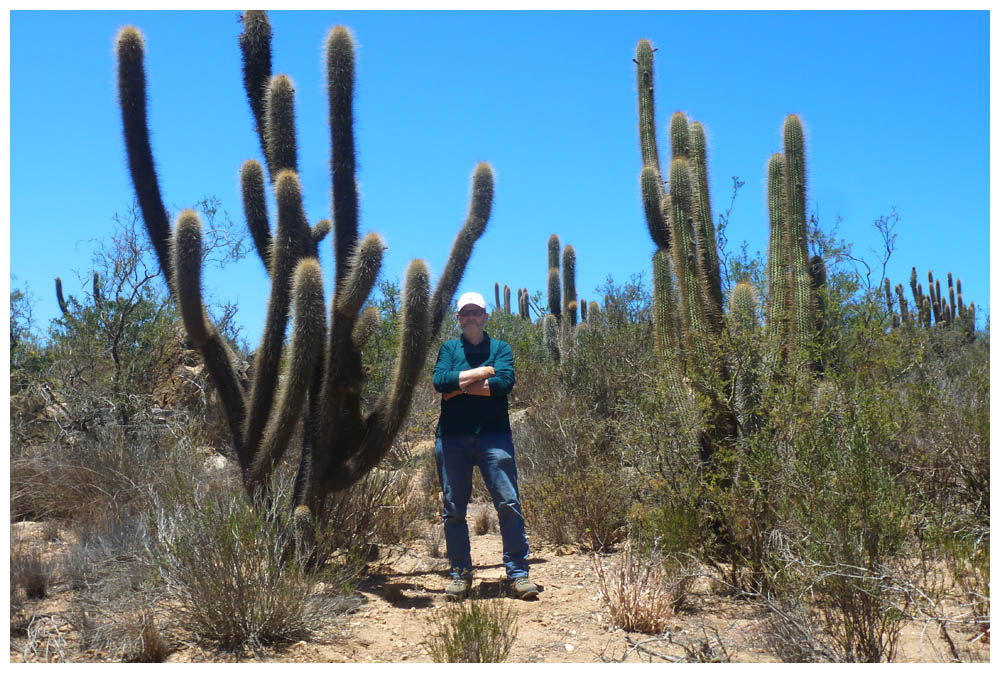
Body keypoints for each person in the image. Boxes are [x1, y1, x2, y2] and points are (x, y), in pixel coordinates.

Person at [431, 291, 539, 601]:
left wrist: (459, 387)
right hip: (452, 437)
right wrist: (482, 373)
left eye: (476, 312)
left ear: (485, 316)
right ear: (459, 318)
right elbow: (440, 382)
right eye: (465, 313)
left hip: (494, 435)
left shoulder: (500, 348)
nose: (470, 317)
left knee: (508, 502)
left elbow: (504, 384)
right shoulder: (450, 348)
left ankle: (518, 573)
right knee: (453, 509)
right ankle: (460, 575)